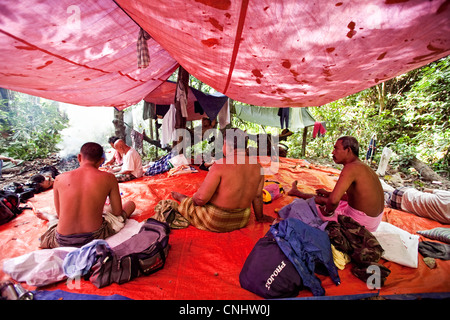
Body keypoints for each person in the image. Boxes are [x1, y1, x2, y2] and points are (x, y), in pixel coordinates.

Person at [171, 128, 274, 232]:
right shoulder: (258, 167)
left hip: (216, 220)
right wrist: (260, 217)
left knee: (189, 200)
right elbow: (257, 196)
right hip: (242, 219)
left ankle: (182, 199)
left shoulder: (220, 164)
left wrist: (193, 201)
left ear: (227, 146)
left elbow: (201, 199)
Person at [38, 142, 136, 249]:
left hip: (62, 240)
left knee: (55, 221)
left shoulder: (59, 179)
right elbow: (117, 212)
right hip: (93, 236)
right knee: (130, 205)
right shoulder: (109, 178)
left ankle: (50, 217)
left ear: (79, 157)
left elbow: (60, 214)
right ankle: (50, 217)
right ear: (102, 161)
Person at [287, 136, 384, 232]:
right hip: (373, 222)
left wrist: (326, 212)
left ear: (348, 150)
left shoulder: (351, 167)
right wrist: (329, 194)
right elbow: (355, 197)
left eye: (336, 148)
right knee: (327, 199)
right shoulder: (363, 166)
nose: (333, 152)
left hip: (360, 224)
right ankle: (296, 192)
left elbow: (333, 201)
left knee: (301, 206)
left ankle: (297, 193)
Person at [381, 180, 450, 224]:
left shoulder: (447, 194)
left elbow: (427, 190)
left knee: (385, 193)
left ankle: (386, 189)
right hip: (400, 201)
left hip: (405, 193)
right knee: (384, 194)